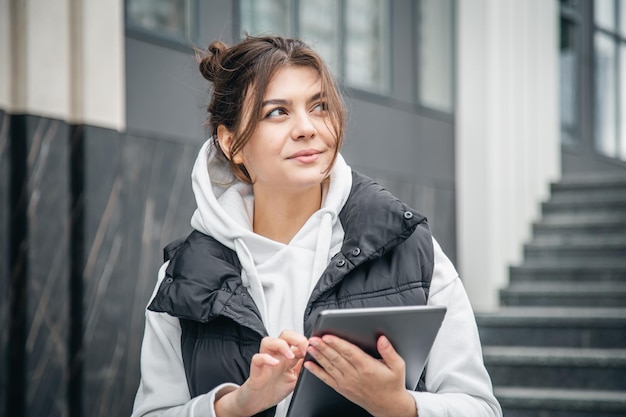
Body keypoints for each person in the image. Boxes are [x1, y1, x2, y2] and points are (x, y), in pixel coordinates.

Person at [131, 35, 502, 417]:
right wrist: (236, 405)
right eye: (277, 112)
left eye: (319, 106)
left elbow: (481, 408)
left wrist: (400, 406)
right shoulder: (185, 278)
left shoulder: (407, 247)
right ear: (231, 144)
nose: (307, 128)